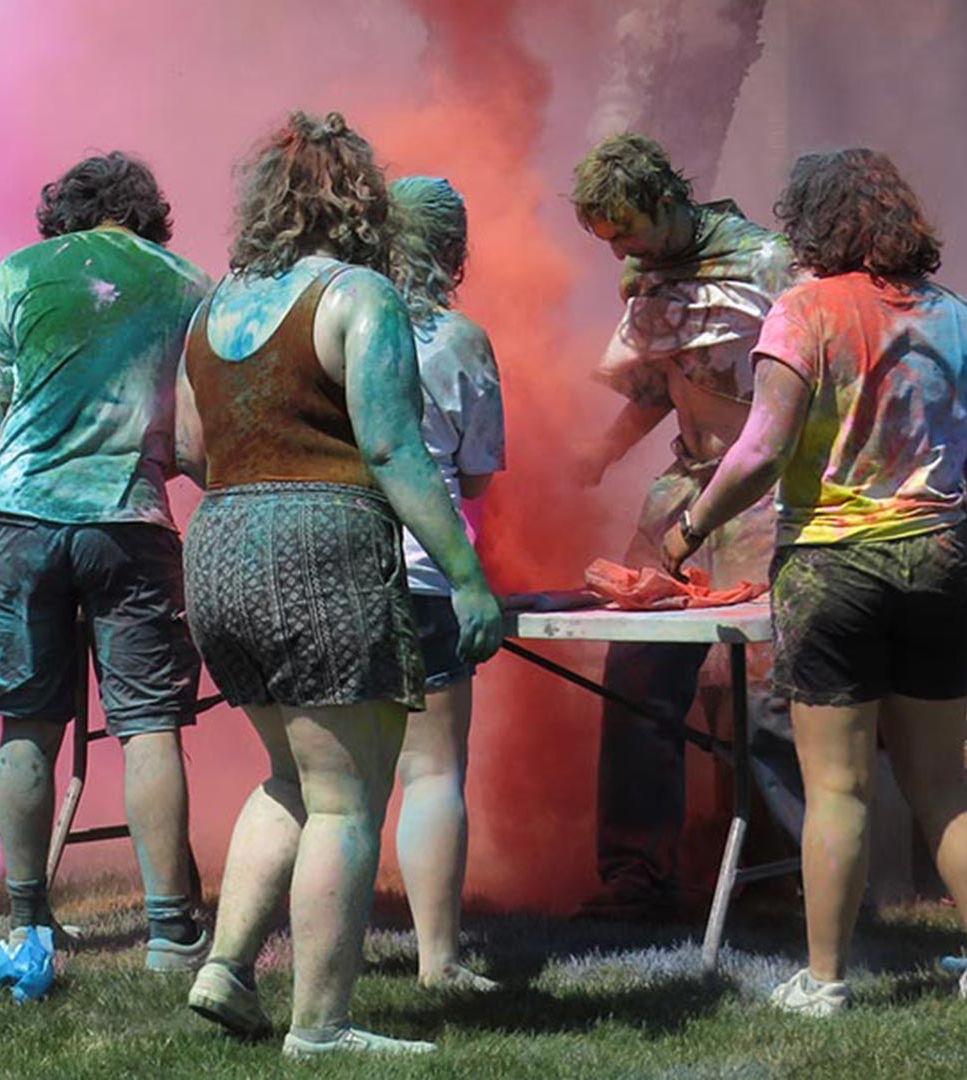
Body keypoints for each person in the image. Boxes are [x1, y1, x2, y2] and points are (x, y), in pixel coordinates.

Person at [662, 148, 967, 1013]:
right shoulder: (962, 321)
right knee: (944, 780)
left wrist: (692, 525)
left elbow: (761, 449)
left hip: (831, 566)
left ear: (813, 223)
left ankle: (824, 983)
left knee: (837, 787)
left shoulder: (803, 312)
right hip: (938, 558)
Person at [177, 112, 504, 1058]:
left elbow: (191, 448)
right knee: (346, 799)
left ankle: (226, 968)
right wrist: (467, 575)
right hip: (320, 544)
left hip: (221, 546)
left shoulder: (213, 307)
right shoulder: (360, 295)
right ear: (359, 200)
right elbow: (395, 446)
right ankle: (320, 1026)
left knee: (288, 775)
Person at [0, 152, 211, 1000]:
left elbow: (0, 391)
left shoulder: (20, 272)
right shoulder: (187, 282)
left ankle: (27, 917)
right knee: (148, 724)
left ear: (64, 215)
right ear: (147, 215)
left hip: (23, 517)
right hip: (129, 521)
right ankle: (169, 928)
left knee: (26, 724)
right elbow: (196, 427)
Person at [568, 132, 798, 918]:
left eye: (627, 231)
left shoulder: (771, 264)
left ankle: (786, 873)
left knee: (764, 687)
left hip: (763, 488)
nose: (619, 253)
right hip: (685, 482)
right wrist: (599, 453)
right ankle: (638, 873)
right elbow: (664, 384)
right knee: (636, 667)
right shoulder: (646, 274)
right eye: (607, 240)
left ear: (669, 201)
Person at [384, 176, 506, 991]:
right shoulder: (457, 339)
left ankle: (251, 960)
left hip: (327, 569)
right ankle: (439, 962)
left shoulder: (325, 319)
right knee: (430, 774)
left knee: (325, 782)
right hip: (426, 576)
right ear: (453, 249)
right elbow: (478, 473)